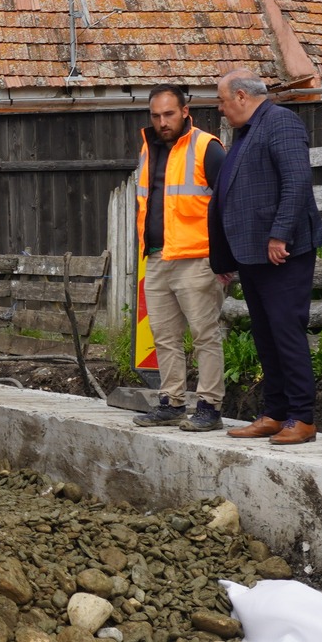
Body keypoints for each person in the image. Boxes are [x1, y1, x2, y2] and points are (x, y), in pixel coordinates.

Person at [211, 69, 322, 445]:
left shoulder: (281, 122)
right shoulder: (246, 132)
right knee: (265, 335)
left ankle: (302, 418)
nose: (221, 109)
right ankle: (275, 414)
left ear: (242, 96)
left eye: (223, 101)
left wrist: (279, 234)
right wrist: (226, 257)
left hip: (283, 252)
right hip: (253, 254)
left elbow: (296, 181)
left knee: (285, 331)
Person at [130, 84, 228, 432]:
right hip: (157, 258)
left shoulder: (207, 148)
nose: (162, 121)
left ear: (186, 111)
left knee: (205, 334)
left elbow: (228, 204)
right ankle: (171, 402)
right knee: (164, 337)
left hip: (197, 259)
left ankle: (209, 406)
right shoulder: (149, 150)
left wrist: (224, 260)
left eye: (169, 114)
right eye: (156, 116)